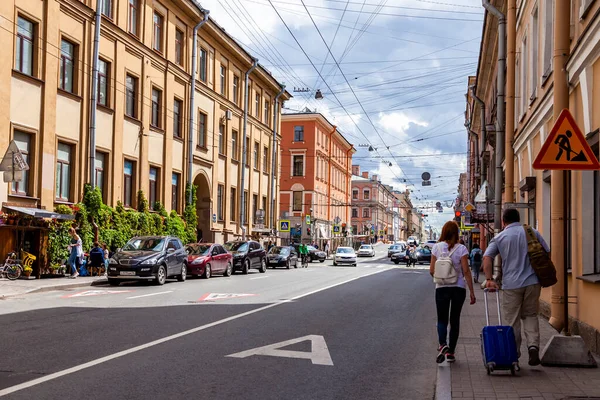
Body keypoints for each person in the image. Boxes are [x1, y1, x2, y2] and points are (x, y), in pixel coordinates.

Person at [484, 208, 549, 367]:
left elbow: (487, 258)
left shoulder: (500, 237)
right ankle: (533, 346)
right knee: (530, 315)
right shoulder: (531, 232)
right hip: (533, 282)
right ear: (518, 219)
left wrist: (489, 279)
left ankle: (514, 355)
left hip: (511, 284)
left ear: (504, 221)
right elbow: (546, 251)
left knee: (512, 321)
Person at [430, 221, 476, 364]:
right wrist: (472, 292)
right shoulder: (461, 248)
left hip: (441, 287)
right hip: (458, 288)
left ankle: (442, 344)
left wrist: (441, 277)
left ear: (443, 232)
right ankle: (451, 353)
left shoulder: (436, 248)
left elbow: (432, 270)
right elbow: (466, 271)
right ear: (456, 233)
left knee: (442, 319)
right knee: (454, 320)